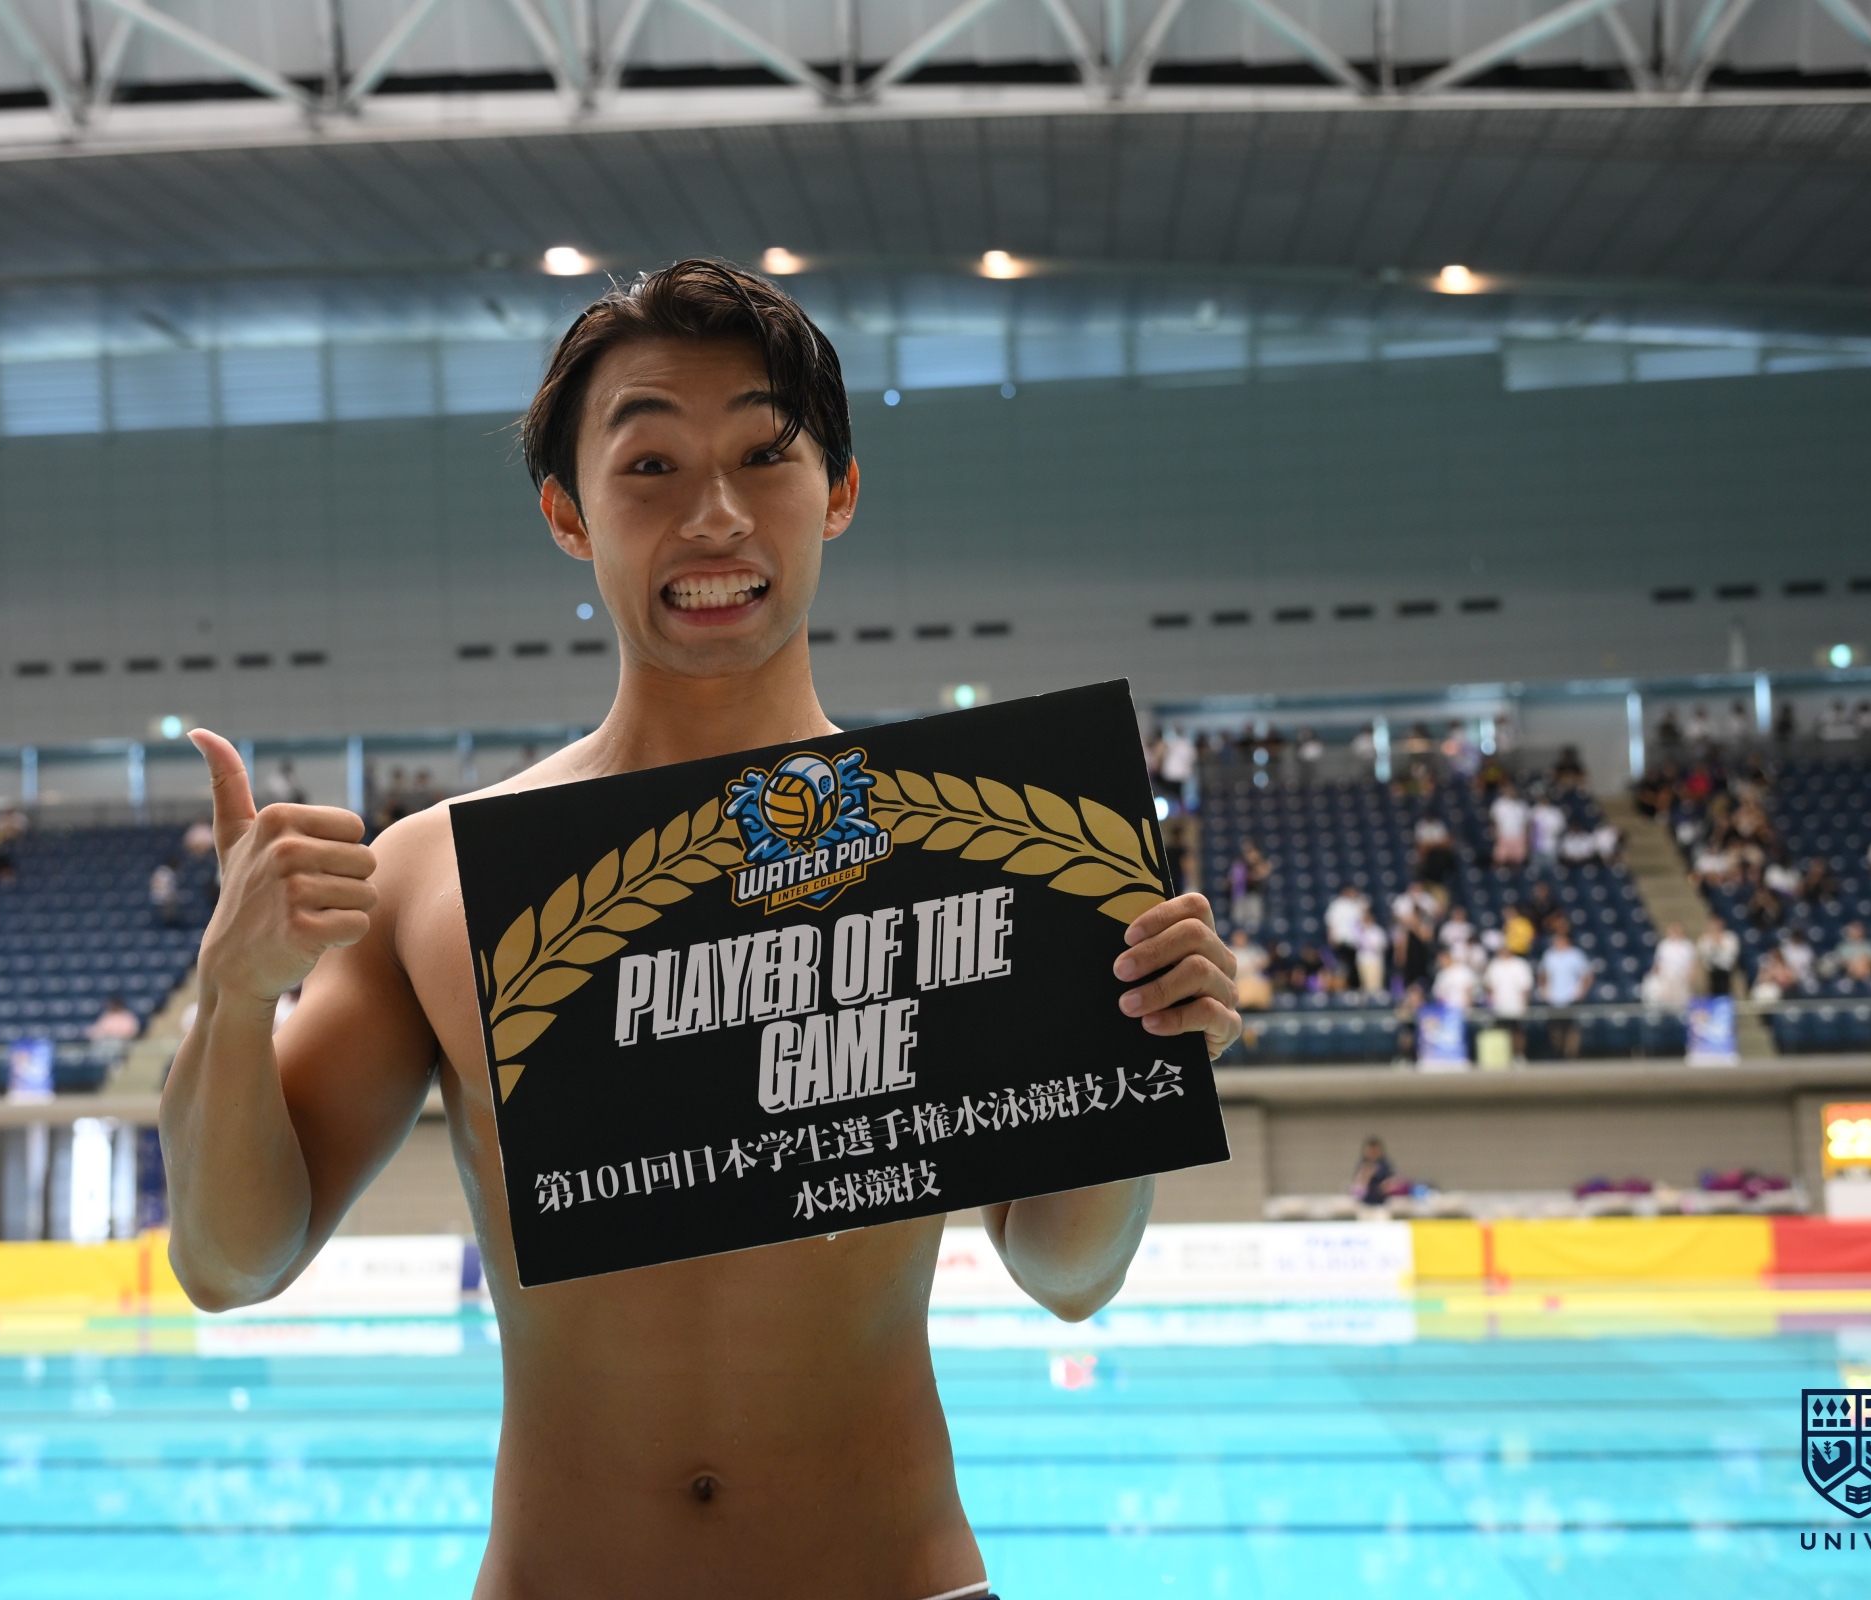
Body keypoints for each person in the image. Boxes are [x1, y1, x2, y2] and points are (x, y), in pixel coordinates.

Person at [159, 260, 1242, 1599]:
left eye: (765, 455)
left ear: (839, 491)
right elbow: (232, 1261)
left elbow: (1067, 1272)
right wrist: (234, 996)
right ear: (569, 514)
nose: (715, 514)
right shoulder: (436, 879)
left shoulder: (977, 848)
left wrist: (1144, 1051)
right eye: (651, 465)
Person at [1539, 928, 1592, 1058]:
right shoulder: (1549, 955)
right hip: (1553, 998)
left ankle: (1571, 1055)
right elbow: (1542, 974)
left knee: (1572, 1028)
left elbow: (1587, 975)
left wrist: (1581, 992)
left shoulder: (1575, 955)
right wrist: (1544, 990)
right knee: (1555, 1028)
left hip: (1571, 997)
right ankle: (1558, 1053)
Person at [1643, 921, 1697, 1010]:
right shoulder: (1664, 945)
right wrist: (1657, 974)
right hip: (1666, 977)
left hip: (1681, 978)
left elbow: (1692, 964)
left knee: (1680, 1003)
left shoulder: (1687, 946)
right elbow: (1658, 963)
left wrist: (1689, 978)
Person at [1698, 915, 1741, 999]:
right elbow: (1703, 953)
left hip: (1727, 969)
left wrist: (1719, 943)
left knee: (1725, 987)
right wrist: (1713, 942)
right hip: (1710, 970)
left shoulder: (1730, 937)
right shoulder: (1705, 938)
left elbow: (1731, 953)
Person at [1488, 783, 1528, 867]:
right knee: (1499, 860)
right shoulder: (1499, 804)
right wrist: (1495, 834)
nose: (1511, 792)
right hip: (1503, 836)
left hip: (1518, 837)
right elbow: (1493, 821)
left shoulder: (1522, 805)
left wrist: (1526, 839)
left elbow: (1526, 824)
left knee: (1517, 862)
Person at [1349, 1138, 1395, 1207]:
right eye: (1371, 1151)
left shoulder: (1385, 1165)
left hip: (1382, 1202)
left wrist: (1386, 1185)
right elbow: (1357, 1190)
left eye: (1375, 1151)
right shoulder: (1363, 1165)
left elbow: (1392, 1180)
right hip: (1365, 1203)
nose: (1373, 1154)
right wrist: (1366, 1177)